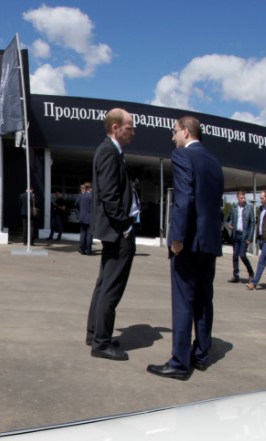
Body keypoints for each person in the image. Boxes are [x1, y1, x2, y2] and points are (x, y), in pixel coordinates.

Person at [147, 116, 224, 380]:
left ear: (187, 132)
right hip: (209, 243)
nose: (172, 137)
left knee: (183, 302)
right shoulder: (215, 162)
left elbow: (184, 197)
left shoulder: (182, 156)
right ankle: (201, 355)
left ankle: (180, 362)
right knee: (203, 300)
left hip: (189, 242)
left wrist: (176, 237)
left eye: (174, 131)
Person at [85, 108, 137, 361]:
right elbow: (109, 195)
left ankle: (95, 333)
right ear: (116, 127)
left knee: (104, 283)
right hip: (118, 232)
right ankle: (101, 343)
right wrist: (125, 226)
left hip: (113, 232)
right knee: (111, 287)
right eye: (130, 127)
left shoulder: (110, 151)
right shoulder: (108, 151)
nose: (133, 132)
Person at [227, 190, 255, 283]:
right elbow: (231, 219)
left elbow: (252, 223)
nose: (243, 199)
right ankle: (236, 275)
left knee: (242, 255)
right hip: (236, 234)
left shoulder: (249, 208)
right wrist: (230, 224)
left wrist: (250, 237)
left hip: (244, 235)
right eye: (241, 198)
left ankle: (251, 272)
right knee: (235, 256)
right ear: (237, 198)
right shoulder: (234, 208)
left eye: (244, 198)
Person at [76, 182, 93, 255]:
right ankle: (88, 250)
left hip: (82, 217)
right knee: (89, 234)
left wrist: (81, 211)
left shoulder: (81, 196)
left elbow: (76, 204)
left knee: (82, 234)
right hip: (90, 218)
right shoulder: (91, 196)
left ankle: (82, 250)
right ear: (90, 188)